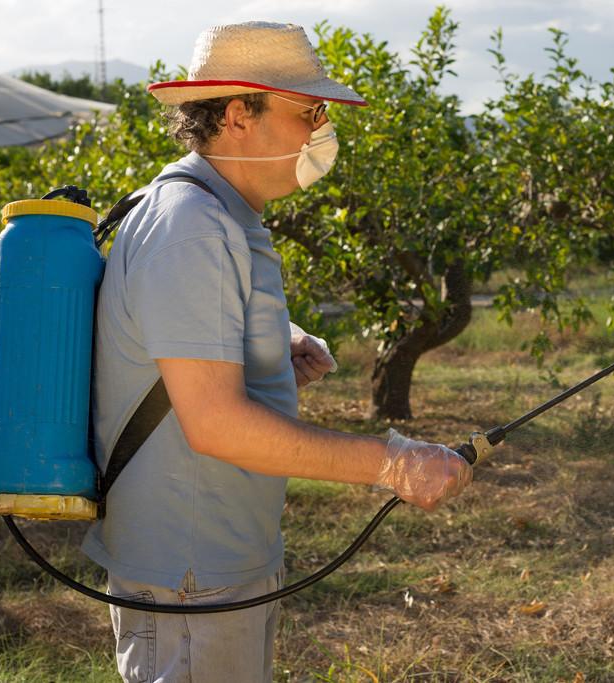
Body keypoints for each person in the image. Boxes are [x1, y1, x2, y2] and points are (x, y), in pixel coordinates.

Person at [81, 21, 473, 683]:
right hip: (191, 576)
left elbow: (184, 375)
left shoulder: (220, 214)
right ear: (238, 113)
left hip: (212, 565)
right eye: (308, 111)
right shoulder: (192, 225)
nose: (320, 132)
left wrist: (268, 358)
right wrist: (391, 463)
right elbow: (215, 424)